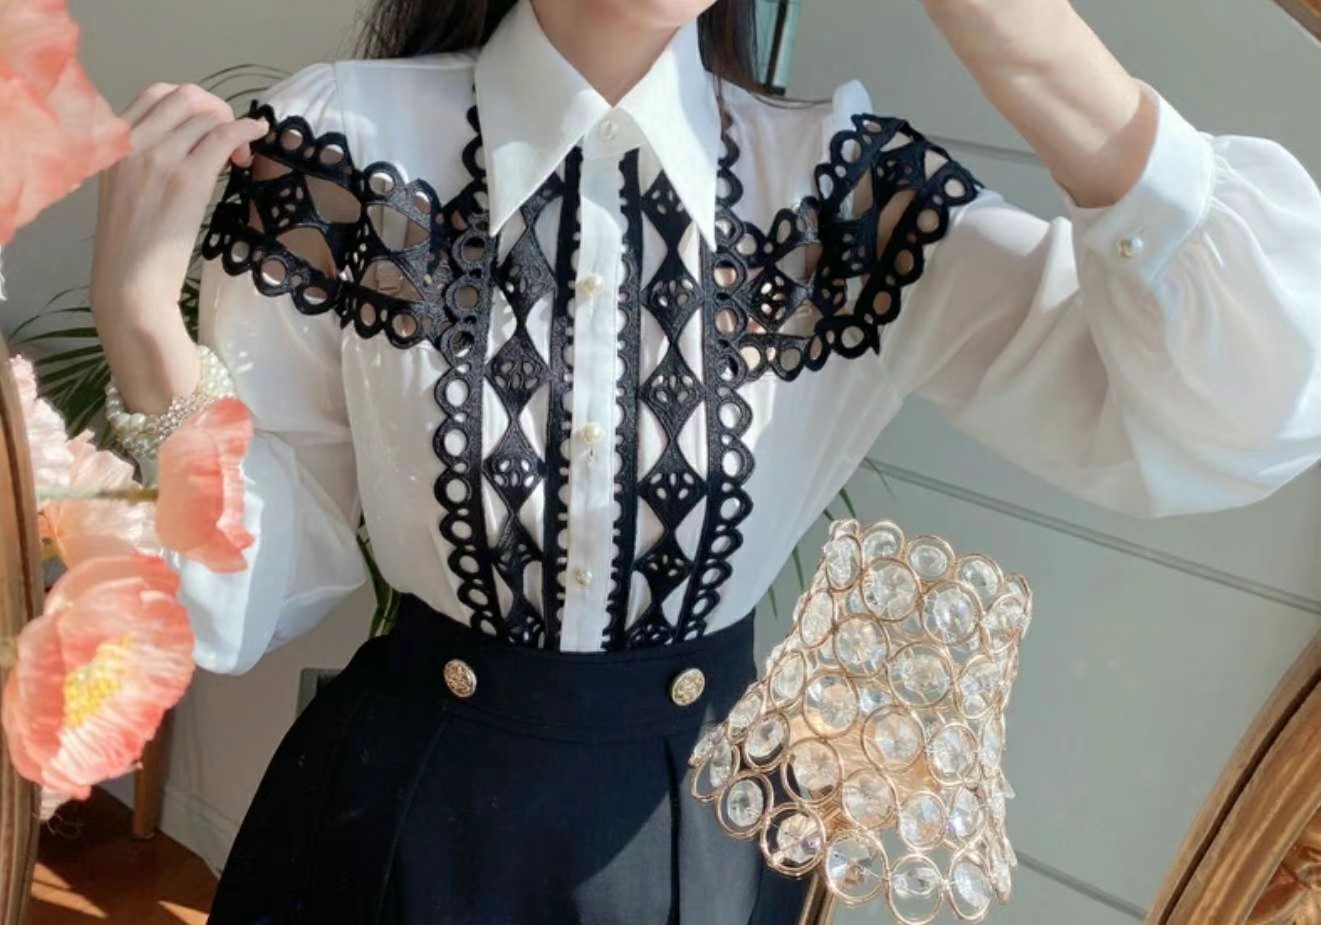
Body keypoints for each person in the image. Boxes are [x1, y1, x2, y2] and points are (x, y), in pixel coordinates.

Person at [88, 0, 1321, 921]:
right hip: (388, 840)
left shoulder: (846, 198)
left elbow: (1229, 416)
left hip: (708, 855)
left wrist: (1033, 47)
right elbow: (260, 580)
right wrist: (145, 330)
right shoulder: (341, 145)